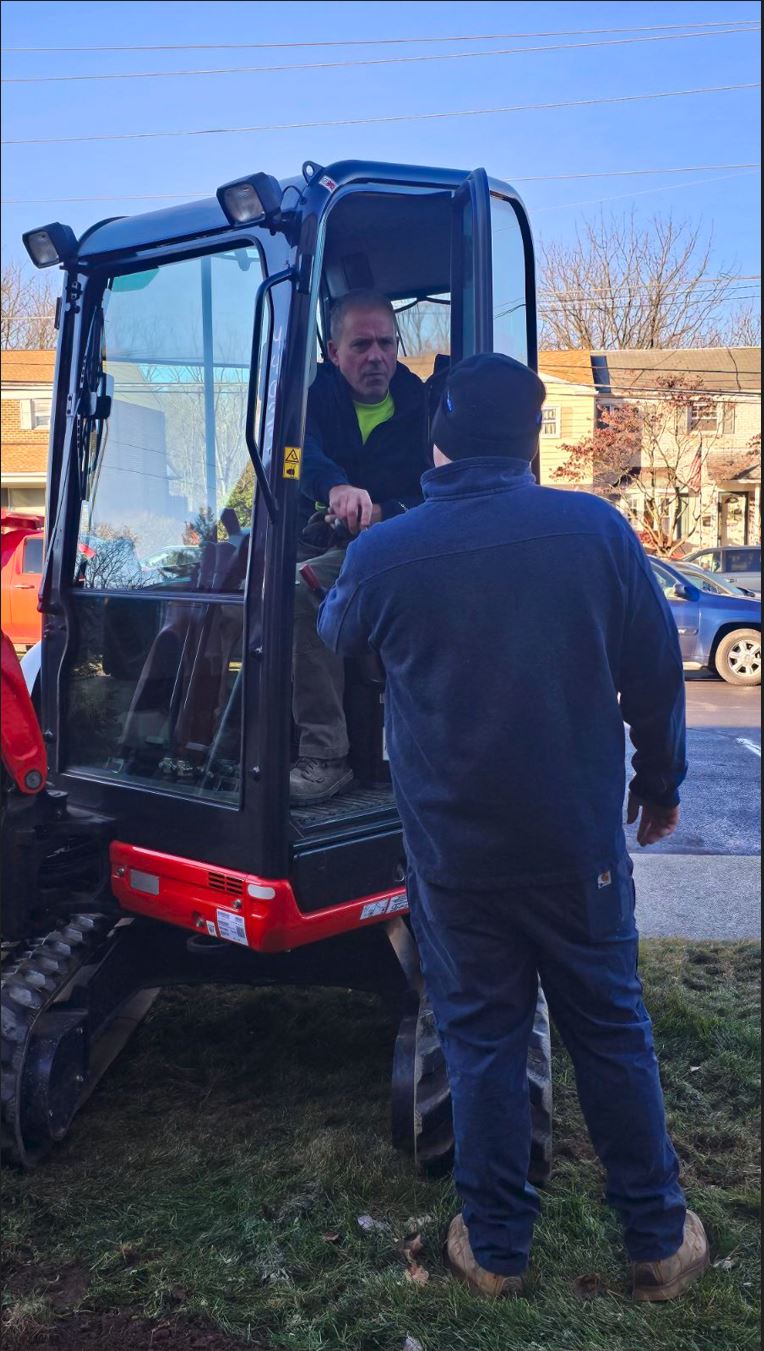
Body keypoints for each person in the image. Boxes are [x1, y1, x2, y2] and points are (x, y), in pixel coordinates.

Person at [317, 353, 709, 1301]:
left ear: (439, 438)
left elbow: (337, 632)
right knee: (610, 1030)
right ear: (531, 441)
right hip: (579, 852)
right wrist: (659, 786)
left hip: (457, 861)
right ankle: (658, 1242)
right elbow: (656, 674)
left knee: (484, 1042)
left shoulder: (386, 554)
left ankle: (494, 1249)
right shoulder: (597, 531)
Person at [290, 289, 428, 804]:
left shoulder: (422, 407)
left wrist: (383, 512)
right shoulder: (311, 398)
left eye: (386, 344)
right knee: (224, 587)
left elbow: (438, 489)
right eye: (361, 345)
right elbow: (296, 452)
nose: (376, 357)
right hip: (325, 536)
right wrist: (336, 488)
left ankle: (326, 755)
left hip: (401, 544)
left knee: (301, 590)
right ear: (333, 351)